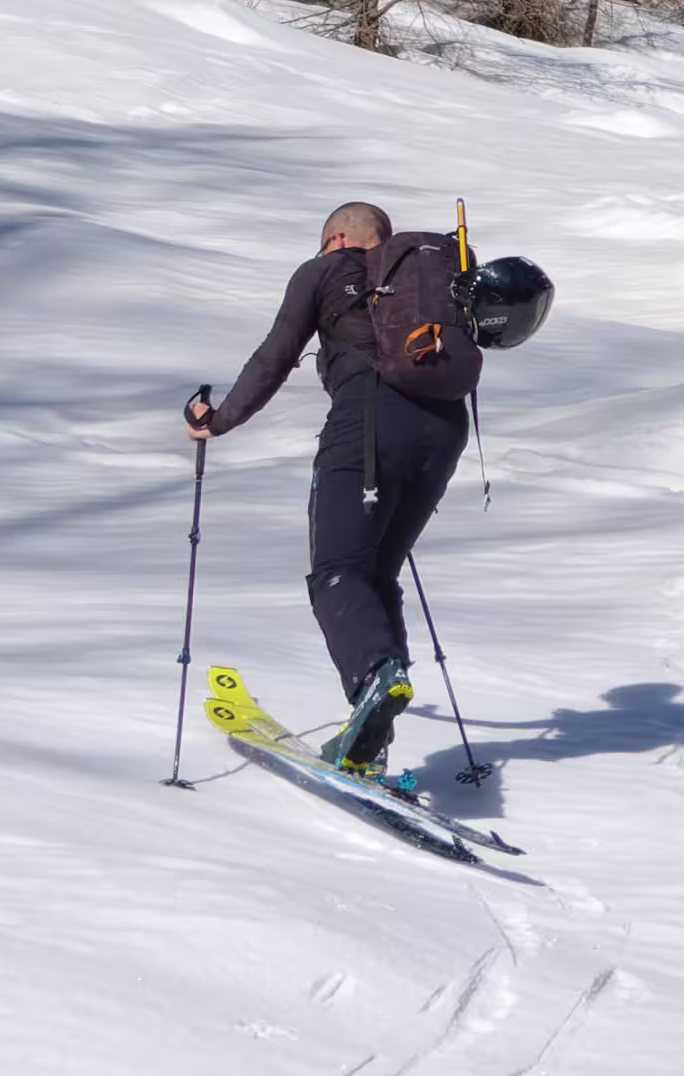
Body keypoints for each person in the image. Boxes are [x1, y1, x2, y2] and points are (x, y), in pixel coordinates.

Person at [188, 201, 478, 776]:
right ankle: (372, 732)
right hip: (445, 430)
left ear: (337, 239)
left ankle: (375, 680)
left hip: (368, 421)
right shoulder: (425, 283)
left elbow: (274, 356)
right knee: (377, 573)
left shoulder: (326, 269)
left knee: (338, 571)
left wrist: (217, 421)